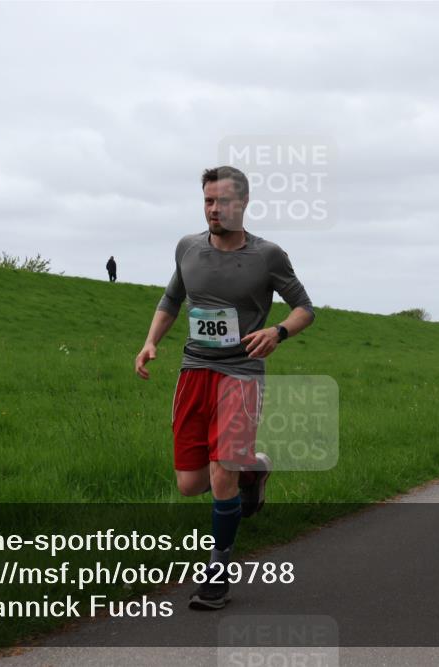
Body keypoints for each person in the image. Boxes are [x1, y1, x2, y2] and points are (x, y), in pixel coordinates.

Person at [134, 166, 315, 610]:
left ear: (244, 204)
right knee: (190, 484)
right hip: (195, 370)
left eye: (223, 202)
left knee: (220, 475)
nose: (214, 209)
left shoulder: (268, 255)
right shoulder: (187, 248)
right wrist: (151, 342)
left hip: (242, 375)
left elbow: (304, 308)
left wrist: (278, 332)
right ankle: (255, 469)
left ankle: (218, 573)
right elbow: (172, 299)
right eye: (208, 202)